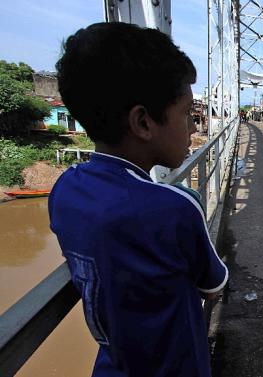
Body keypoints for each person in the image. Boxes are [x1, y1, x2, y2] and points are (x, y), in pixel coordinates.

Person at [49, 22, 229, 376]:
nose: (194, 127)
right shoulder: (175, 207)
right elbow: (214, 285)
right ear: (143, 122)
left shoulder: (65, 190)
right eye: (187, 114)